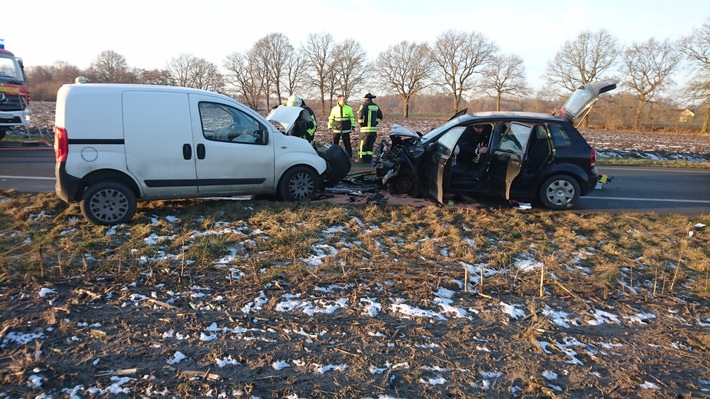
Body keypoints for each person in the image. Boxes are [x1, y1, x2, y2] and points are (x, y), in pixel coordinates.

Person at [357, 92, 383, 163]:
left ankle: (361, 159)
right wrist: (375, 122)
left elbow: (360, 116)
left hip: (365, 130)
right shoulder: (375, 106)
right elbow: (380, 116)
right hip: (373, 129)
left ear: (366, 98)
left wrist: (361, 123)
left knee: (363, 144)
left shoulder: (364, 105)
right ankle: (368, 159)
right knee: (370, 144)